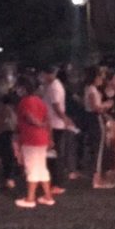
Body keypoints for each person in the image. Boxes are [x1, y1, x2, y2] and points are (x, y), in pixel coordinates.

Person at [15, 77, 55, 209]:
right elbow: (48, 119)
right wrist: (49, 137)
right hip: (42, 139)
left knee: (31, 168)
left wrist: (38, 124)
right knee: (41, 167)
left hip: (30, 138)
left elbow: (29, 117)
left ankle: (30, 198)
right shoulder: (40, 101)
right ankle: (48, 196)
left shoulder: (25, 102)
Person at [41, 66, 72, 194]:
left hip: (55, 125)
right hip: (53, 123)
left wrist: (65, 119)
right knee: (53, 154)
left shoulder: (55, 87)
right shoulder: (52, 86)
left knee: (55, 154)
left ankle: (57, 183)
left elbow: (56, 106)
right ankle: (54, 181)